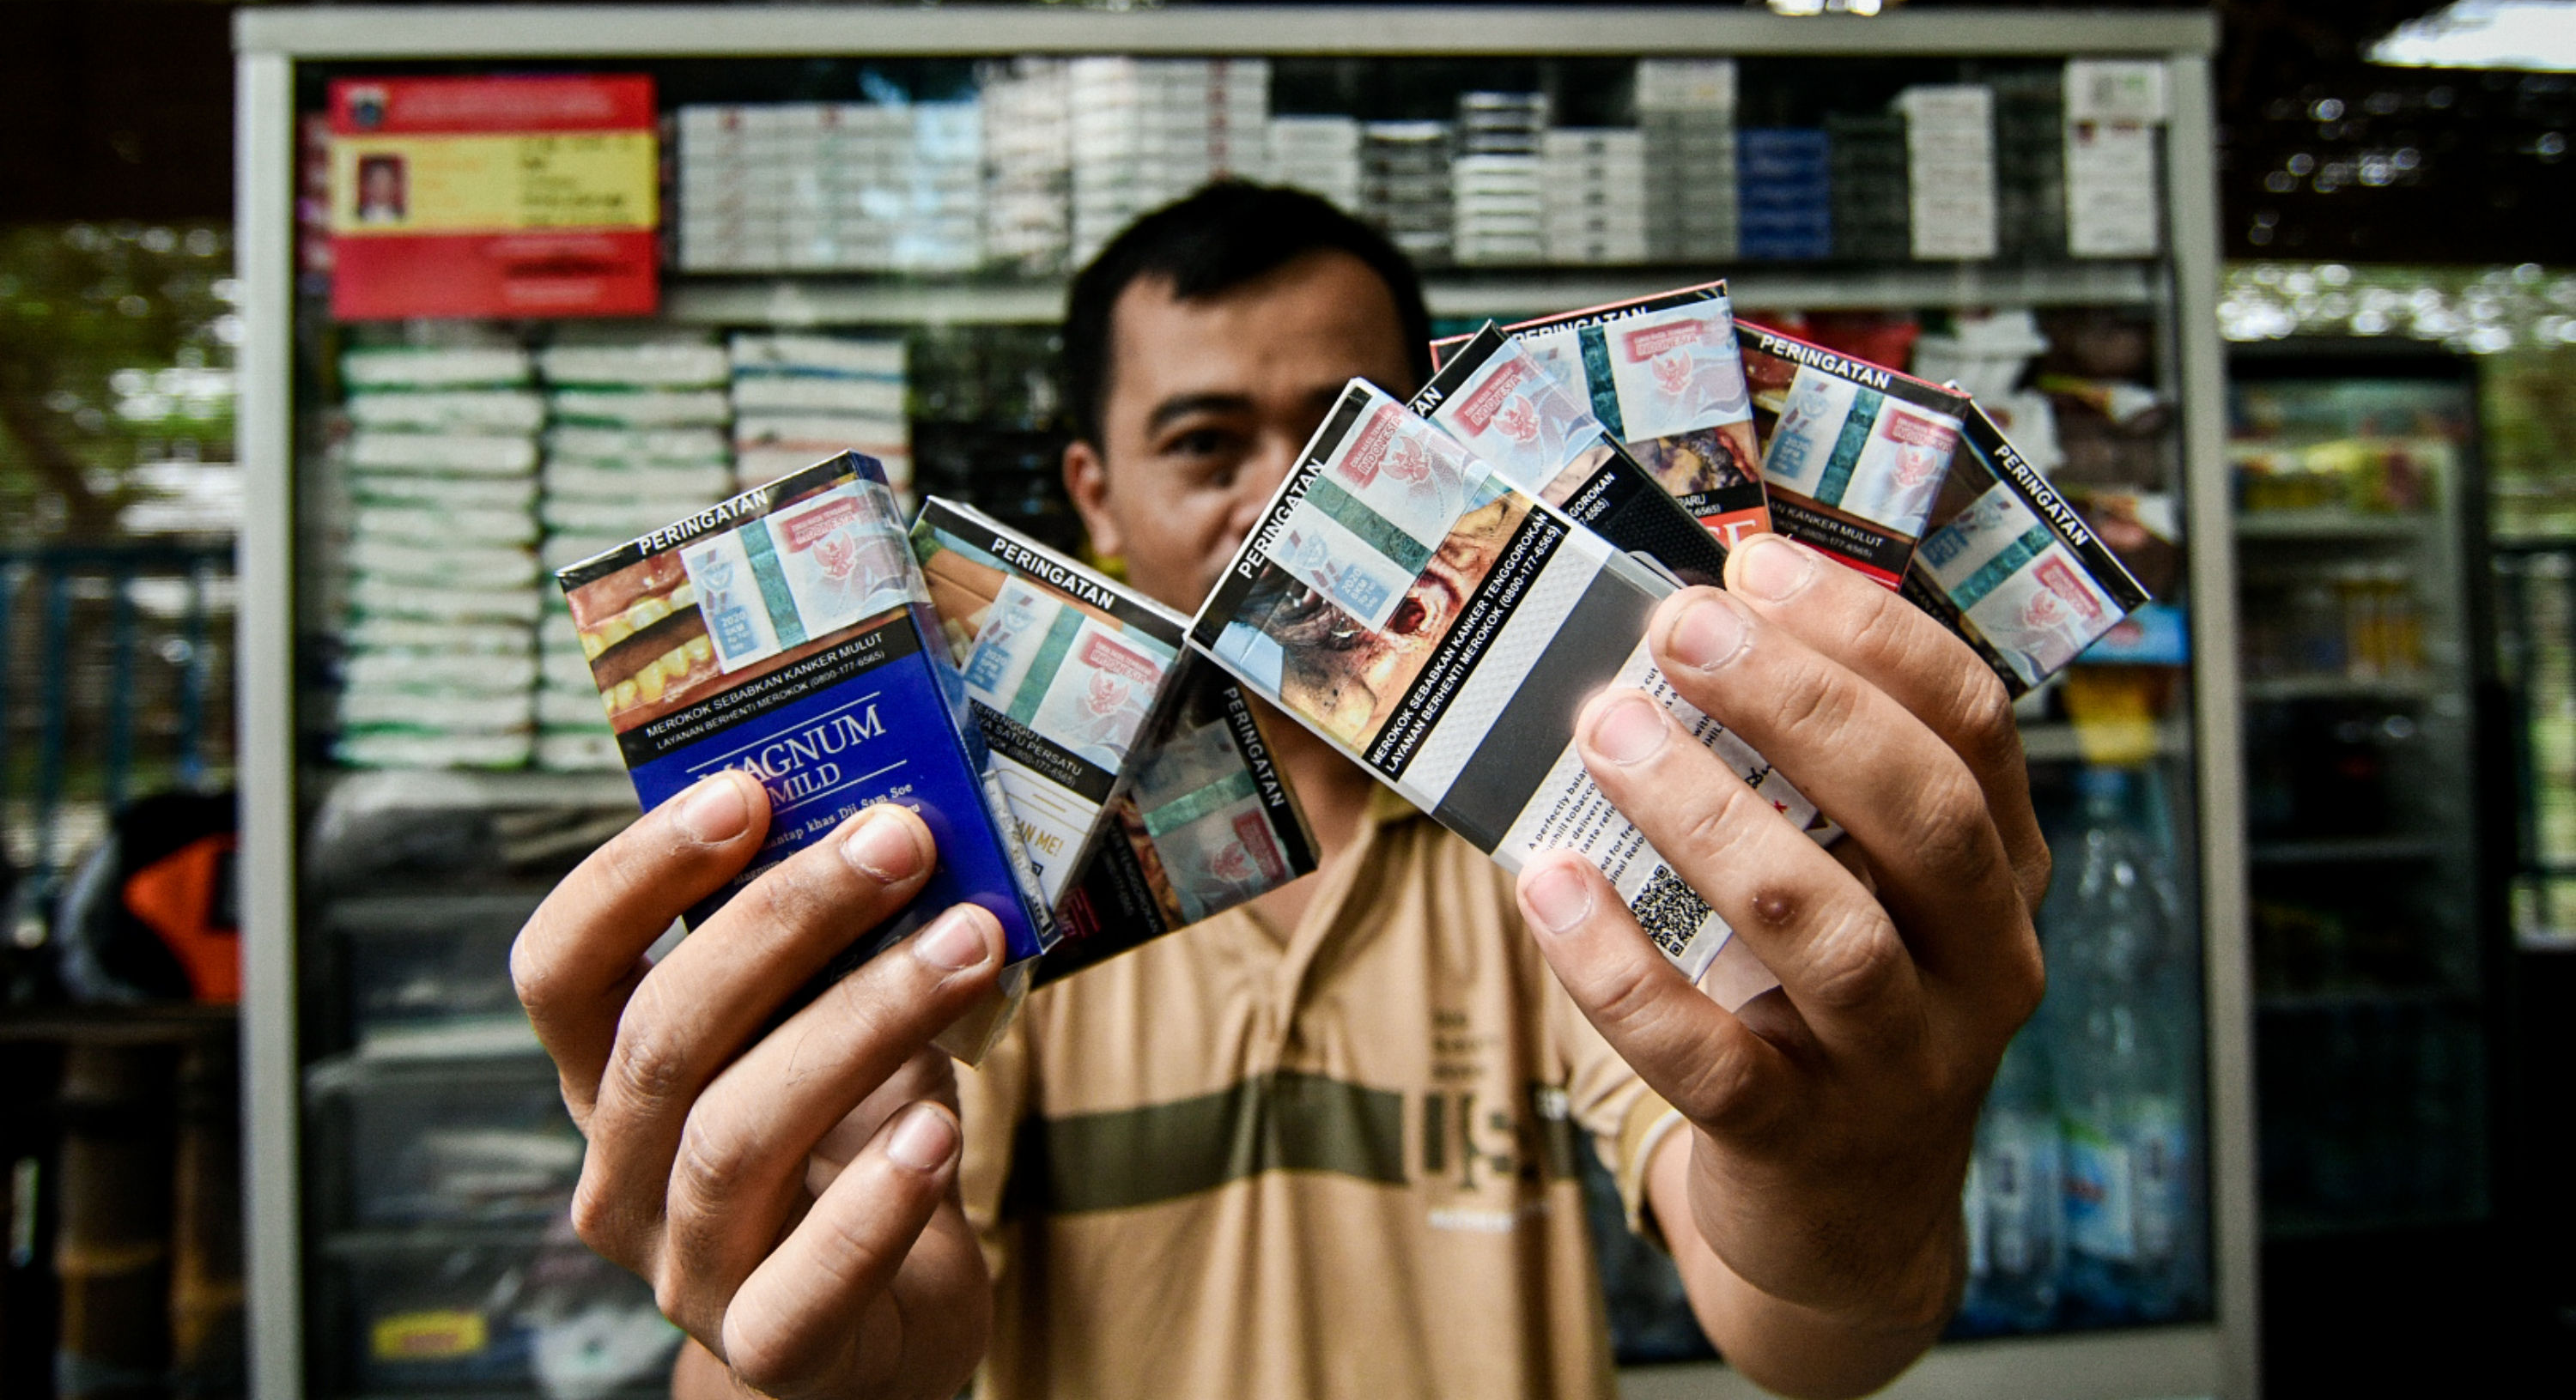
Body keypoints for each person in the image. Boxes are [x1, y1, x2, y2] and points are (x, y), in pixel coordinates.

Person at [510, 183, 2050, 1400]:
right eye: (1201, 443)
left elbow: (1802, 1330)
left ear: (1444, 465)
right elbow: (818, 1327)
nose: (1275, 508)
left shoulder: (1575, 821)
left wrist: (1866, 1188)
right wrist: (783, 1342)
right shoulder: (972, 876)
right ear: (1092, 498)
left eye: (1337, 441)